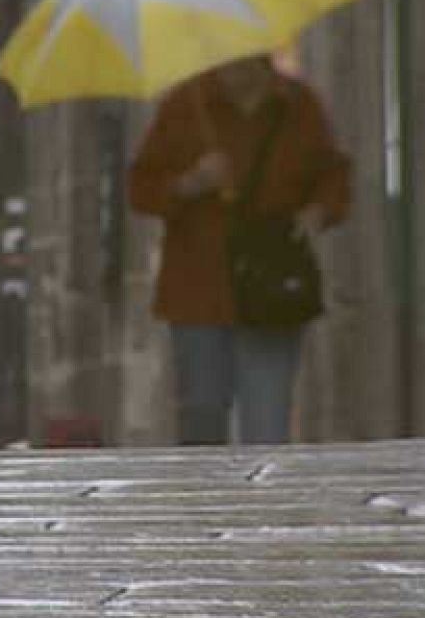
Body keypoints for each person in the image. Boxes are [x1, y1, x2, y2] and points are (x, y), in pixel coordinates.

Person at [128, 55, 350, 446]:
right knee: (202, 415)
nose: (235, 72)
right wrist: (190, 183)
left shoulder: (299, 106)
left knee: (267, 420)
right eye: (227, 63)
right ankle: (206, 502)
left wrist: (316, 213)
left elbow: (333, 174)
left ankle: (263, 504)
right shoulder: (185, 105)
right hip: (197, 288)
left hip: (273, 282)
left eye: (246, 63)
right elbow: (140, 190)